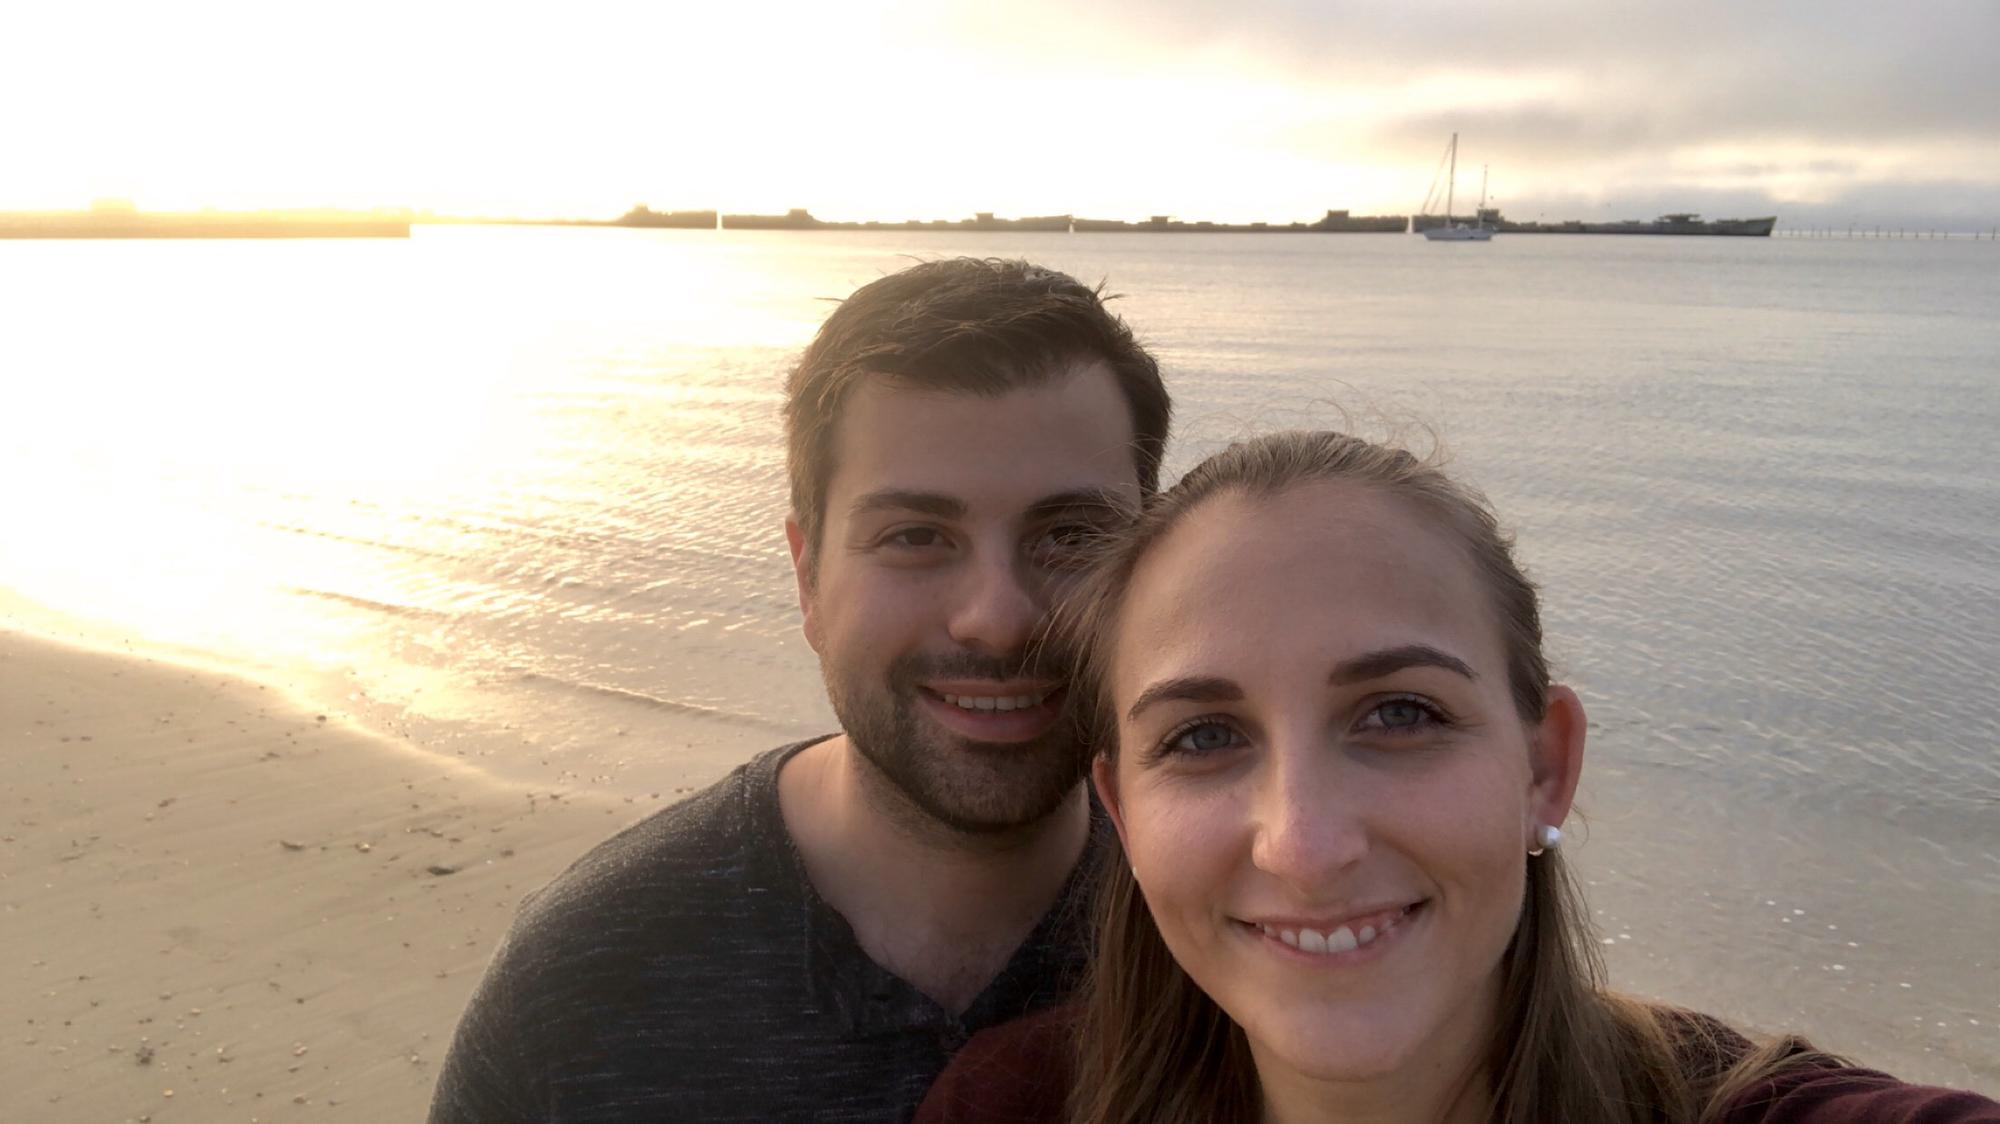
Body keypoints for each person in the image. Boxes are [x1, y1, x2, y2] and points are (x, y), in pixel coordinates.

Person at [917, 430, 2000, 1124]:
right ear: (1121, 809)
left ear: (1543, 767)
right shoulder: (1018, 1102)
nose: (1301, 840)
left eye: (1398, 713)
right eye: (1201, 737)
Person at [429, 258, 1172, 1122]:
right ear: (807, 574)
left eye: (1071, 534)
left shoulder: (1247, 934)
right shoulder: (587, 985)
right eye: (917, 536)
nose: (997, 618)